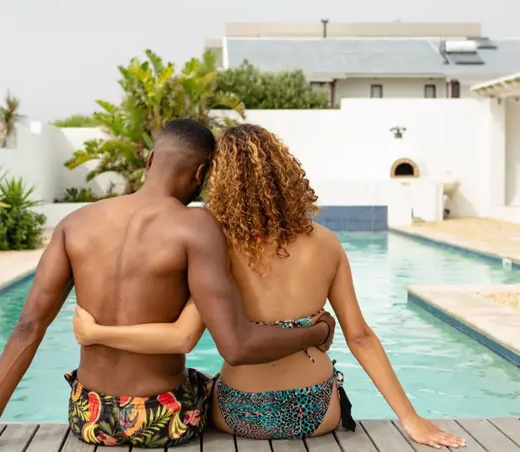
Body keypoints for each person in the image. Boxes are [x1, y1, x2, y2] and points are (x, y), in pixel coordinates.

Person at [0, 119, 337, 452]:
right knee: (220, 387)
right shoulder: (195, 226)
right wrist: (316, 333)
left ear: (150, 160)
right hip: (163, 420)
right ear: (202, 173)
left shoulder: (76, 223)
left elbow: (28, 327)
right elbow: (237, 345)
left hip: (90, 417)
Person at [71, 124, 467, 448]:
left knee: (195, 382)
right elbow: (360, 337)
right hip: (316, 412)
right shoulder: (326, 243)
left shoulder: (214, 244)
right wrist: (411, 419)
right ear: (285, 173)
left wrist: (97, 333)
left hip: (237, 414)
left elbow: (182, 336)